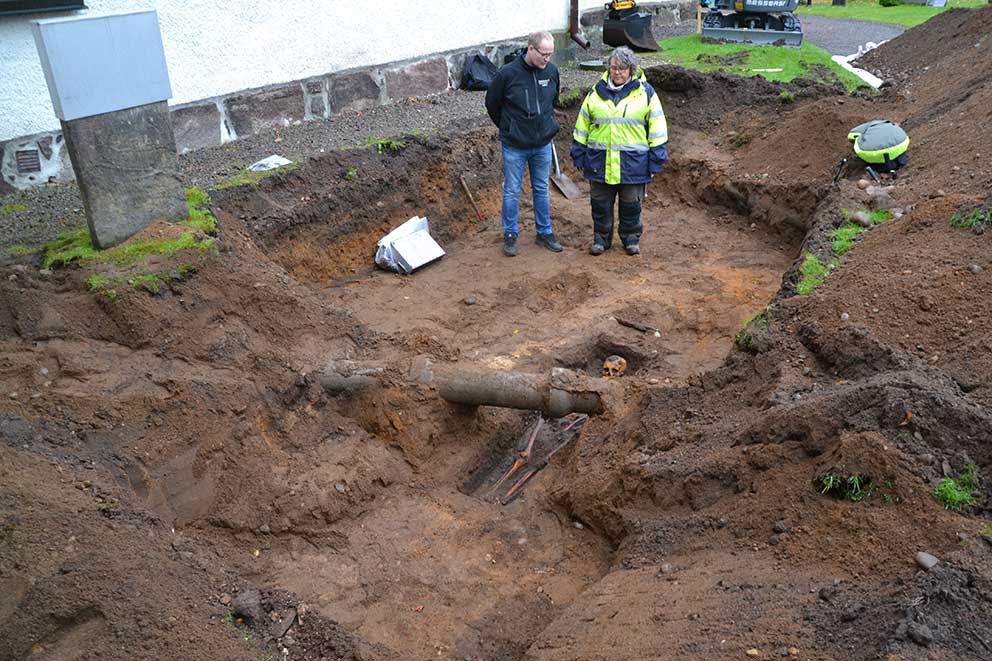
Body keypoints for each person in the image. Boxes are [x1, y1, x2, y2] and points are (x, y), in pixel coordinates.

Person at [570, 46, 668, 256]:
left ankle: (631, 239)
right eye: (613, 68)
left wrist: (656, 158)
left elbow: (658, 127)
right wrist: (578, 152)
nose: (617, 73)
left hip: (633, 163)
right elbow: (582, 124)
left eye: (622, 69)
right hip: (599, 162)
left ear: (631, 70)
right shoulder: (595, 92)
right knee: (600, 204)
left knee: (631, 205)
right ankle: (601, 239)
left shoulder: (645, 93)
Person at [485, 31, 563, 257]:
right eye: (543, 54)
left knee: (541, 189)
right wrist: (509, 128)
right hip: (515, 146)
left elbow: (553, 100)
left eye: (550, 54)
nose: (547, 59)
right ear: (530, 49)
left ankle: (544, 232)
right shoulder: (507, 74)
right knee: (511, 191)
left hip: (542, 145)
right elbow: (492, 103)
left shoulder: (551, 71)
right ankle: (510, 234)